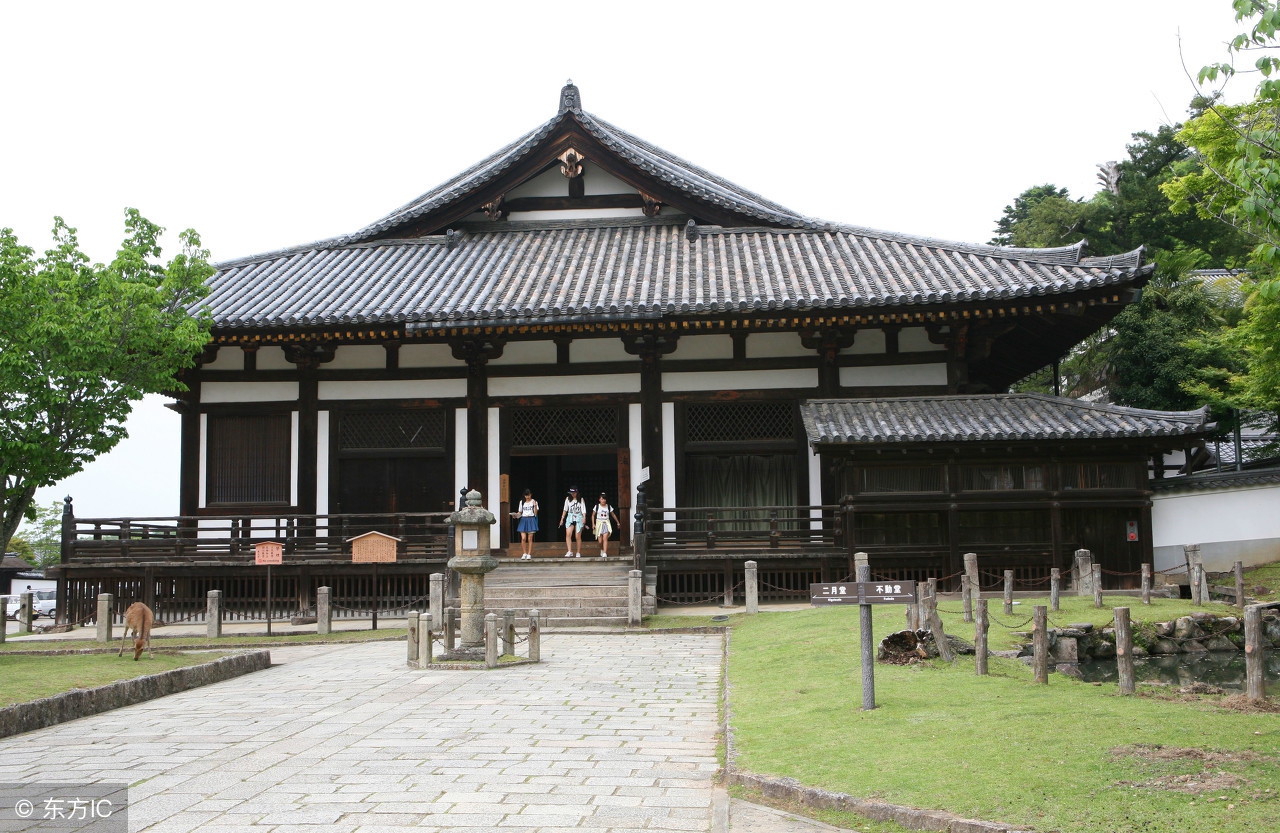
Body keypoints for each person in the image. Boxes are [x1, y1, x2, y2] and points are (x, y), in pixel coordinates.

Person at [510, 488, 539, 559]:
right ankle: (524, 553)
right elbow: (520, 512)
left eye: (528, 495)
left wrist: (535, 506)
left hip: (531, 519)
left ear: (531, 494)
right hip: (523, 519)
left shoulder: (534, 502)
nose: (527, 497)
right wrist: (516, 515)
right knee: (523, 538)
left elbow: (535, 513)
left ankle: (529, 554)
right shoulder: (522, 502)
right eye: (526, 495)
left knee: (530, 538)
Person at [559, 486, 587, 557]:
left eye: (574, 493)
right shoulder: (568, 499)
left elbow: (583, 510)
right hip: (570, 517)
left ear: (577, 492)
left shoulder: (581, 499)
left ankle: (578, 552)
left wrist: (584, 517)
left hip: (579, 517)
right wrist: (562, 518)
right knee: (568, 534)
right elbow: (565, 509)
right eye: (571, 493)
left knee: (577, 536)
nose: (572, 494)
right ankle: (569, 551)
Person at [592, 493, 622, 559]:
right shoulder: (597, 506)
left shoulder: (608, 506)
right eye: (602, 499)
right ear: (599, 500)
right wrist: (593, 524)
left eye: (604, 499)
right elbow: (593, 515)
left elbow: (613, 515)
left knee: (605, 538)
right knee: (600, 541)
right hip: (599, 523)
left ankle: (605, 552)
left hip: (606, 523)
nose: (603, 500)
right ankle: (602, 549)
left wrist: (618, 522)